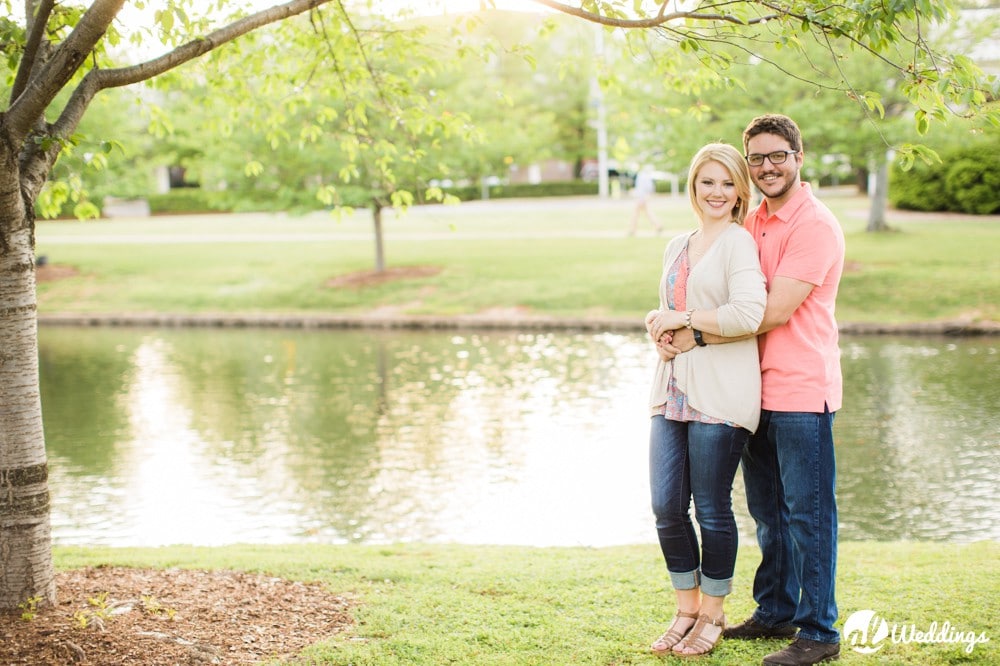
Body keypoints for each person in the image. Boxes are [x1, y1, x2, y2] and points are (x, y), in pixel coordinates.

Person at [663, 114, 845, 666]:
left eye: (778, 156)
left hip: (799, 390)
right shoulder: (755, 220)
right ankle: (775, 610)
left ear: (799, 156)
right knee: (766, 511)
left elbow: (770, 311)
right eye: (758, 158)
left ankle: (819, 631)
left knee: (807, 514)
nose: (768, 166)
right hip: (749, 390)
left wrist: (690, 330)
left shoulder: (813, 224)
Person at [643, 143, 766, 657]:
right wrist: (658, 326)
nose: (716, 192)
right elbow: (672, 309)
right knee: (667, 506)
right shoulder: (677, 244)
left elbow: (747, 314)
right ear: (693, 187)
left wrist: (684, 321)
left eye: (726, 183)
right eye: (706, 182)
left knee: (712, 509)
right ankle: (685, 608)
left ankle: (713, 614)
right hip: (671, 390)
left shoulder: (739, 243)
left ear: (740, 190)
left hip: (721, 393)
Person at [629, 166, 664, 235]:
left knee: (636, 214)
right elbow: (650, 188)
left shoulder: (641, 176)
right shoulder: (645, 176)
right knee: (647, 213)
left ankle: (633, 230)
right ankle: (658, 226)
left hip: (641, 198)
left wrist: (641, 198)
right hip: (643, 197)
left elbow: (643, 189)